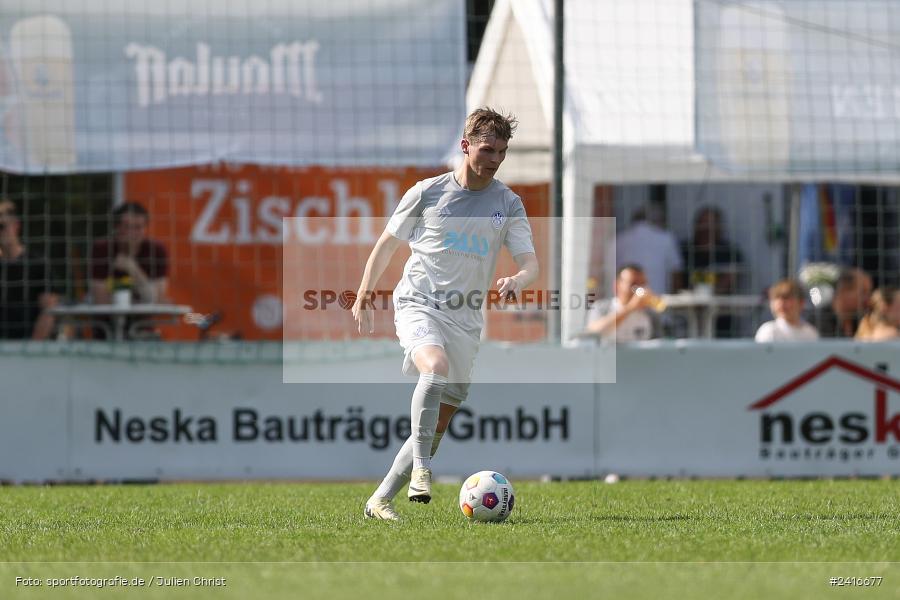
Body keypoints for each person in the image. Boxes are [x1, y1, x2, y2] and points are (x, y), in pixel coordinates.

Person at [352, 108, 538, 520]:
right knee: (432, 367)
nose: (494, 160)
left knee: (439, 421)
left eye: (502, 152)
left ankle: (379, 500)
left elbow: (530, 263)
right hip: (419, 303)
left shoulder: (507, 203)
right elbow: (387, 243)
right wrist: (365, 291)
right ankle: (422, 469)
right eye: (488, 149)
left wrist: (518, 281)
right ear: (466, 145)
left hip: (466, 321)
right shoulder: (427, 192)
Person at [0, 199, 59, 339]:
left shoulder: (37, 263)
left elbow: (49, 312)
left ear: (16, 226)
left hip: (27, 349)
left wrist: (32, 349)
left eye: (2, 226)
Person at [90, 202, 168, 305]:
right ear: (116, 227)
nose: (133, 233)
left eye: (138, 227)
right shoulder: (102, 249)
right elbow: (100, 299)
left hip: (143, 318)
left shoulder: (156, 250)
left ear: (145, 228)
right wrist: (137, 285)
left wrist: (133, 269)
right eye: (127, 227)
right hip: (105, 318)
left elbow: (157, 299)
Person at [614, 205, 682, 294]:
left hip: (626, 301)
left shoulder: (618, 239)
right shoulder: (666, 238)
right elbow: (676, 273)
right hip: (658, 301)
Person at [584, 264, 658, 343]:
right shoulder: (601, 307)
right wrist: (630, 307)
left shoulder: (650, 314)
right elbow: (592, 333)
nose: (639, 290)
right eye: (633, 284)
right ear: (616, 286)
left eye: (643, 284)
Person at [812, 267, 872, 338]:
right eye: (863, 292)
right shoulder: (817, 322)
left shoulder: (864, 322)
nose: (868, 299)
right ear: (844, 290)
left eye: (869, 293)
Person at [754, 279, 819, 342]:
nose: (781, 303)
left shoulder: (810, 333)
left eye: (787, 298)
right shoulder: (768, 331)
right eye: (776, 299)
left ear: (801, 303)